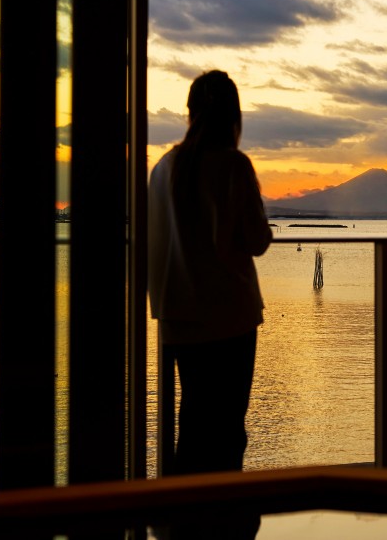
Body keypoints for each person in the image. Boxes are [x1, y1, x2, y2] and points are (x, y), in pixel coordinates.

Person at [147, 70, 272, 539]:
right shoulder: (234, 166)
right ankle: (227, 522)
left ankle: (183, 520)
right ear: (234, 116)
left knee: (193, 423)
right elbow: (256, 241)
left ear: (191, 112)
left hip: (179, 317)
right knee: (227, 429)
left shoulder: (164, 168)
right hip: (231, 316)